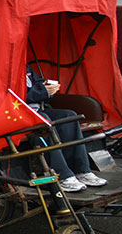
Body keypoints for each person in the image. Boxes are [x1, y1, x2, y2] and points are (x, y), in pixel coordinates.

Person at [26, 64, 107, 192]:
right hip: (19, 115)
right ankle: (62, 175)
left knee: (69, 116)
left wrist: (48, 87)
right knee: (44, 121)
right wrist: (42, 91)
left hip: (39, 109)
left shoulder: (25, 67)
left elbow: (39, 82)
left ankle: (82, 170)